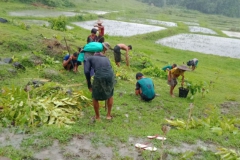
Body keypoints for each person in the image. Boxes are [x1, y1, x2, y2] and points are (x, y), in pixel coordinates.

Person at [84, 42, 114, 120]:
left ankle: (97, 117)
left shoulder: (90, 58)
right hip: (111, 75)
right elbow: (109, 68)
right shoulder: (106, 58)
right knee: (110, 94)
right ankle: (108, 115)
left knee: (95, 97)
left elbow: (87, 71)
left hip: (100, 74)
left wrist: (89, 85)